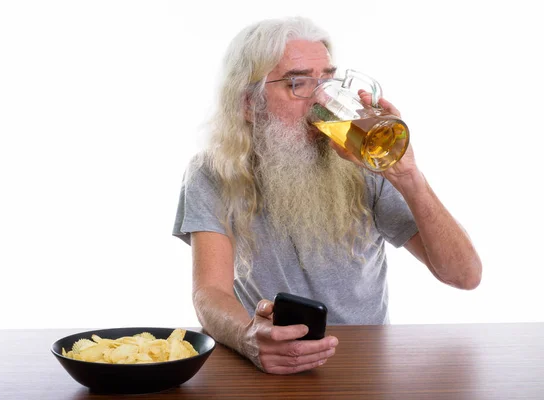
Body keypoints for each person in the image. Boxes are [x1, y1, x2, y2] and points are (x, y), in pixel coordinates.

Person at [172, 16, 482, 375]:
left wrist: (408, 176)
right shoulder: (213, 171)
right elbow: (210, 292)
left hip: (364, 361)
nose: (323, 101)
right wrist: (248, 337)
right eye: (298, 83)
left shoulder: (364, 161)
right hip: (268, 361)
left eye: (328, 81)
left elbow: (464, 276)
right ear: (248, 103)